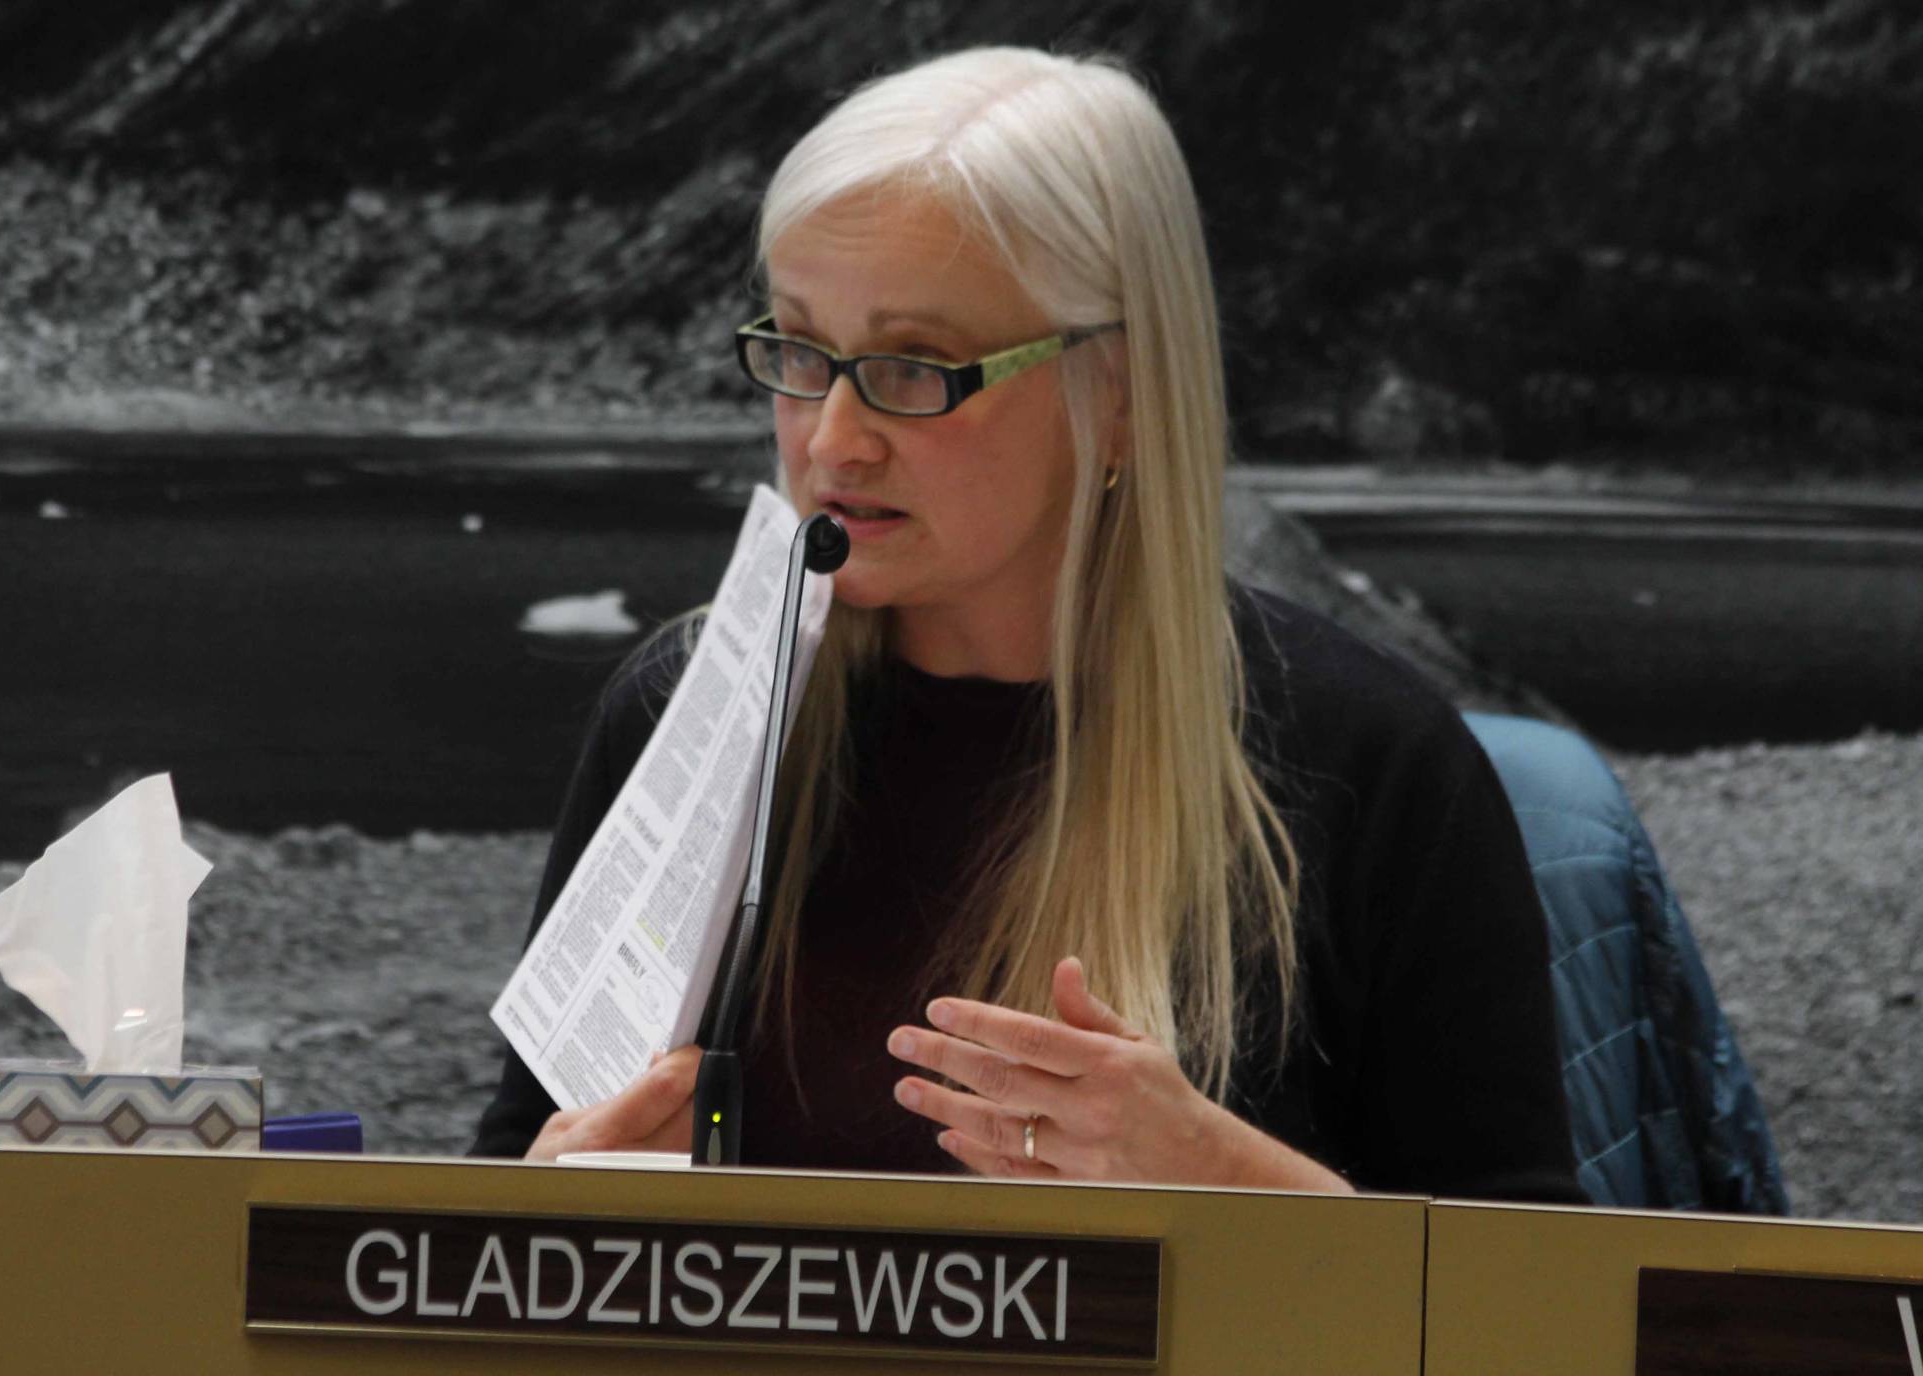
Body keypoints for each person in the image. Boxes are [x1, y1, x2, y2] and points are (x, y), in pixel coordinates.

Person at [473, 47, 1585, 1202]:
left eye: (914, 366)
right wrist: (546, 1198)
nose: (831, 440)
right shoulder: (685, 711)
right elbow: (494, 1185)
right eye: (800, 352)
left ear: (1117, 396)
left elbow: (1531, 1304)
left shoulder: (1368, 767)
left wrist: (1233, 1183)